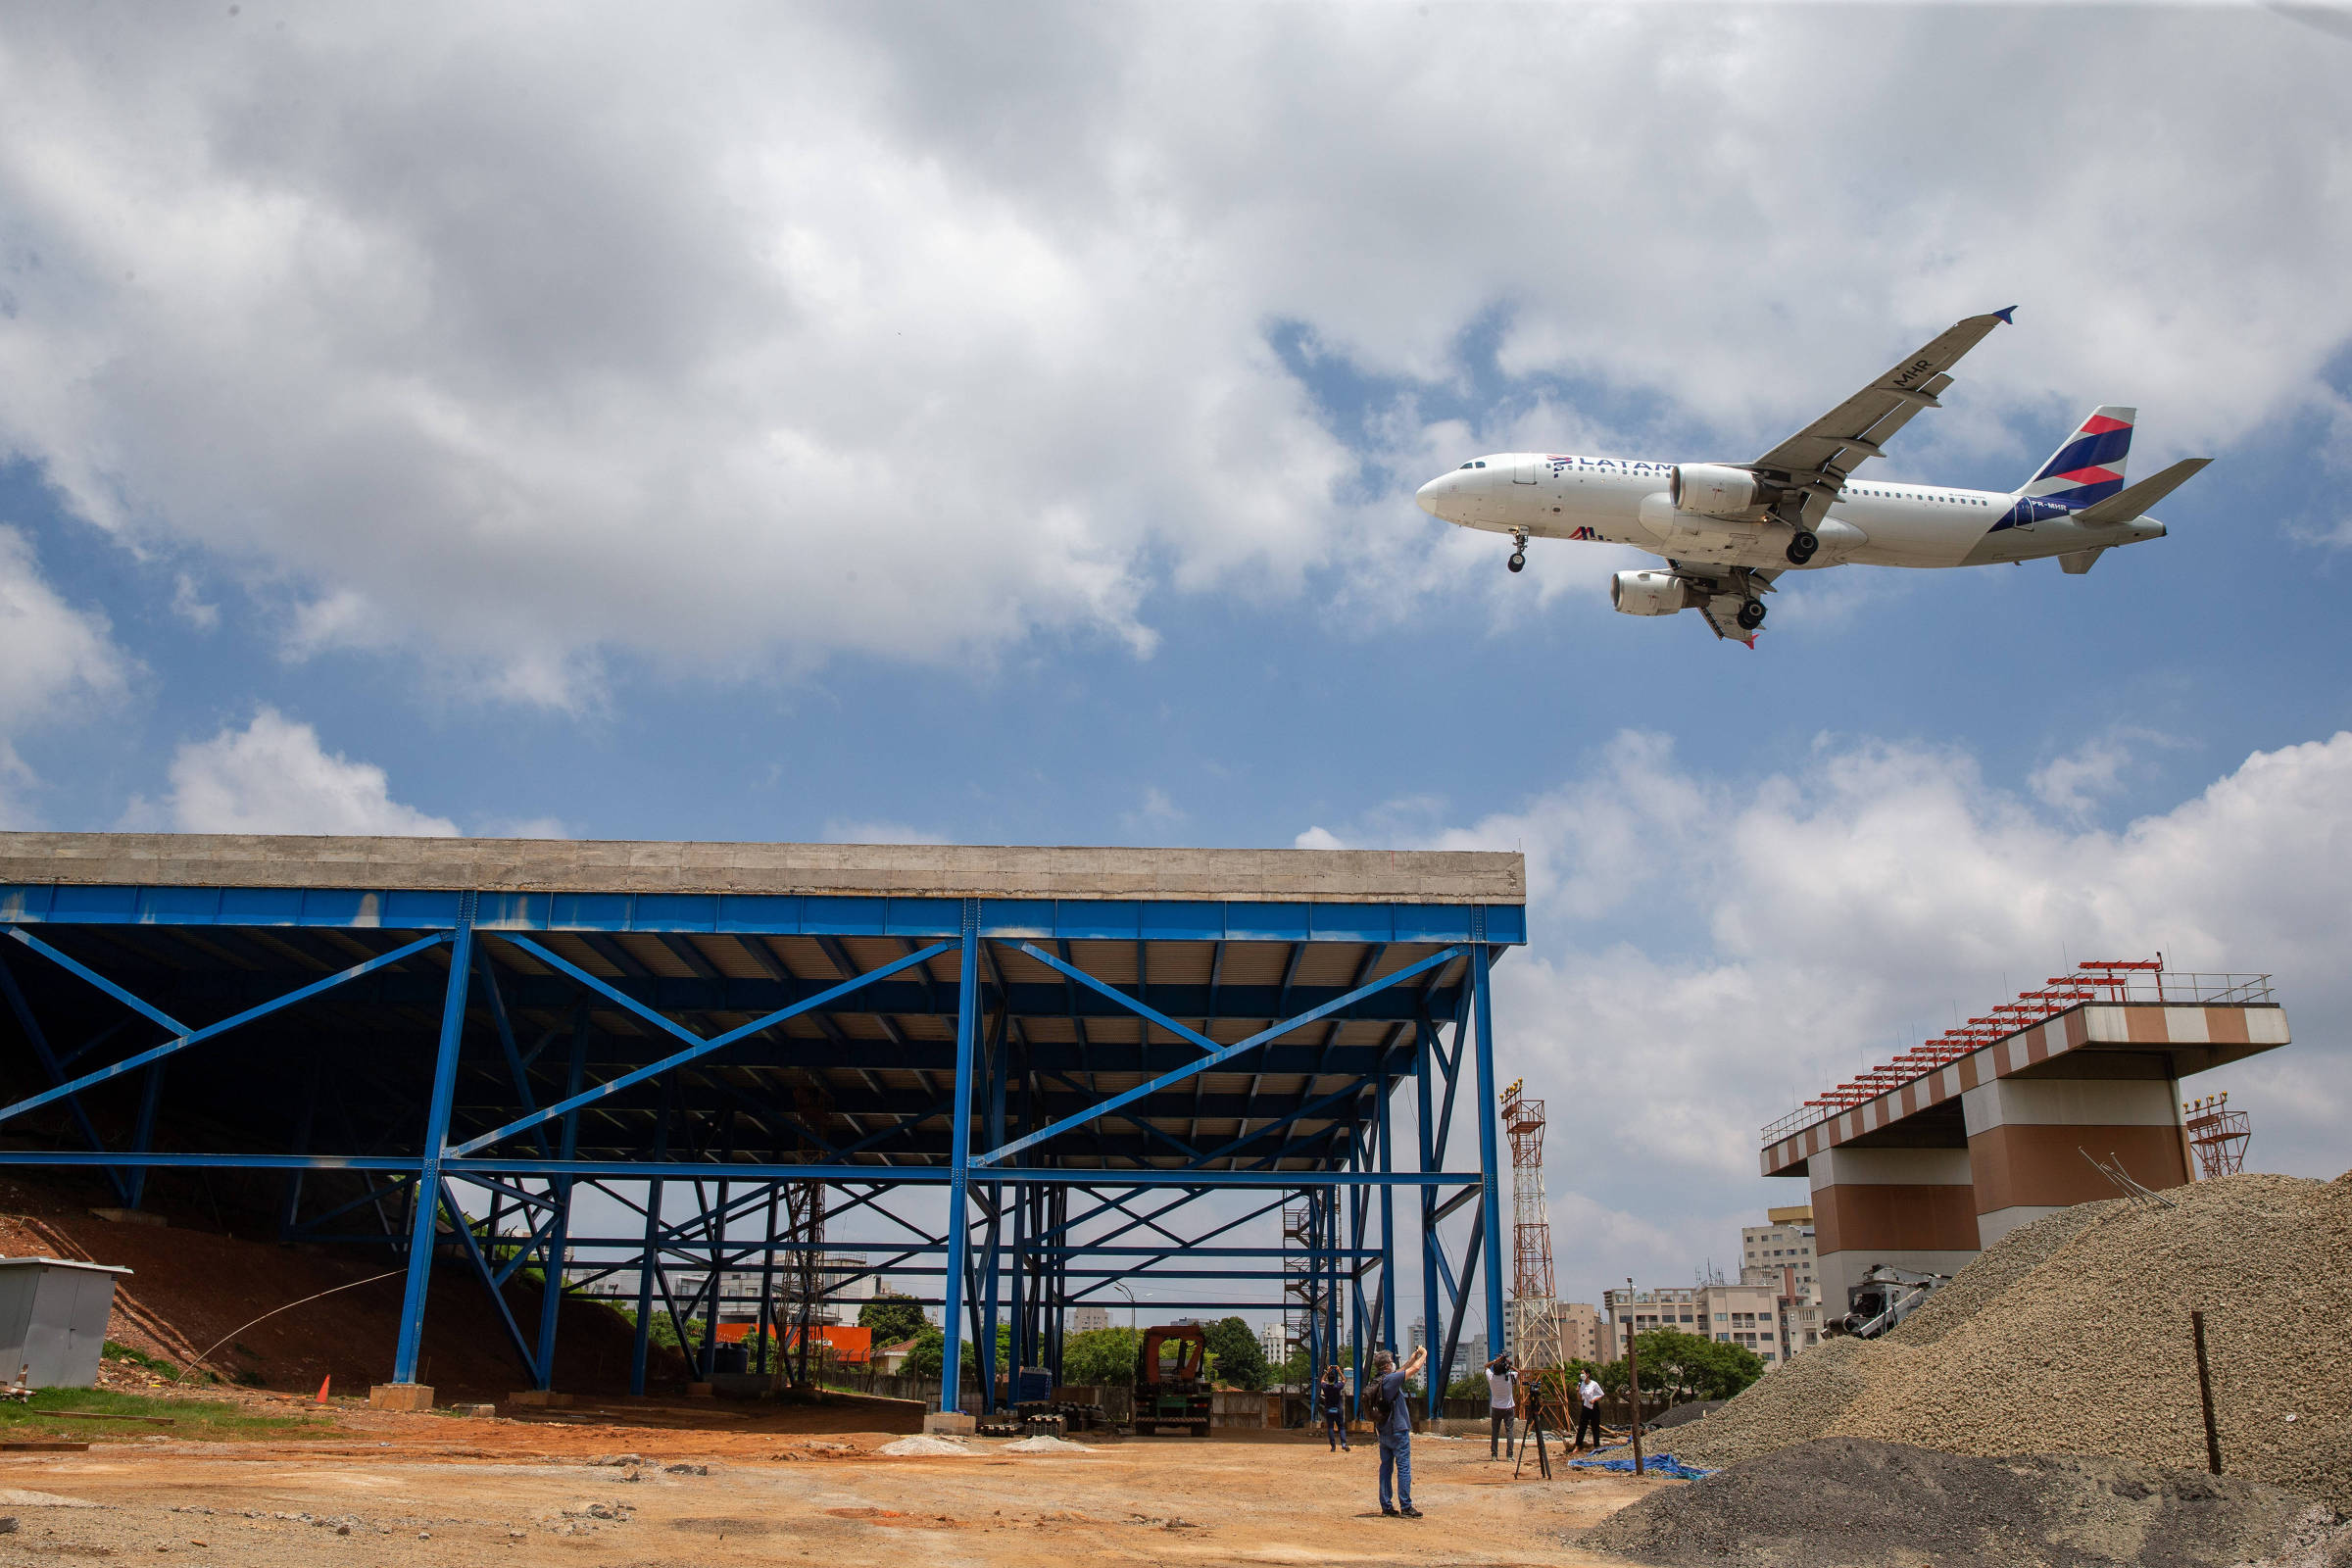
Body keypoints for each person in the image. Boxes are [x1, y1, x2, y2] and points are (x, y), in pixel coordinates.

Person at [1369, 1345, 1427, 1518]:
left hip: (1384, 1430)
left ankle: (1386, 1505)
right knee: (1403, 1467)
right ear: (1387, 1365)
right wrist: (1424, 1355)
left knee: (1386, 1468)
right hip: (1398, 1430)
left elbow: (1402, 1371)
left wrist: (1411, 1358)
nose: (1393, 1364)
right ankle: (1406, 1506)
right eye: (1391, 1362)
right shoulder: (1390, 1380)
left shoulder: (1380, 1380)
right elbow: (1414, 1369)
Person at [1485, 1354, 1519, 1458]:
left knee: (1495, 1432)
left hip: (1496, 1408)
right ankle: (1509, 1455)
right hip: (1508, 1408)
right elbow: (1519, 1372)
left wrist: (1496, 1360)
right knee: (1509, 1432)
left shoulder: (1492, 1377)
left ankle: (1494, 1455)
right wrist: (1509, 1365)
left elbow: (1486, 1366)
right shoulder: (1510, 1376)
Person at [1318, 1363, 1351, 1451]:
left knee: (1330, 1428)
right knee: (1341, 1427)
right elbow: (1344, 1379)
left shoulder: (1325, 1387)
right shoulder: (1337, 1387)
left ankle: (1333, 1447)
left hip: (1328, 1409)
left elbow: (1321, 1380)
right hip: (1338, 1409)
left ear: (1328, 1379)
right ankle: (1344, 1444)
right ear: (1335, 1379)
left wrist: (1327, 1372)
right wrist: (1339, 1371)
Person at [1573, 1367, 1604, 1451]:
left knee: (1595, 1426)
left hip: (1594, 1406)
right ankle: (1578, 1445)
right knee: (1582, 1426)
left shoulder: (1594, 1384)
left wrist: (1594, 1399)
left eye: (1583, 1373)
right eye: (1581, 1373)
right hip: (1585, 1405)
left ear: (1588, 1374)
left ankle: (1596, 1445)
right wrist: (1577, 1391)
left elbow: (1601, 1394)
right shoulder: (1581, 1384)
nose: (1581, 1375)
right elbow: (1579, 1398)